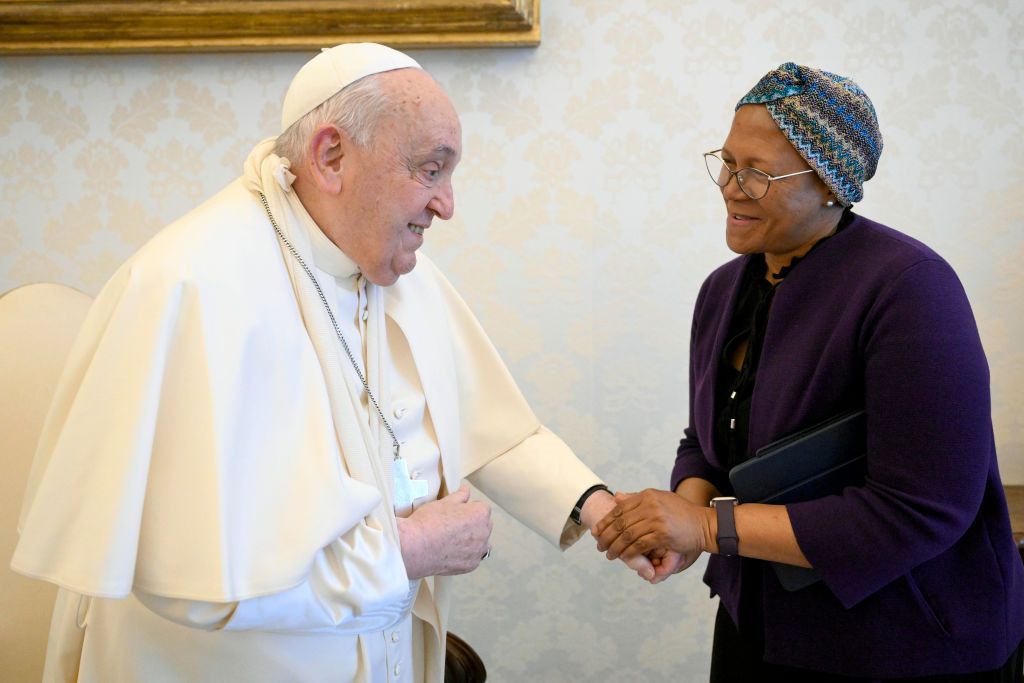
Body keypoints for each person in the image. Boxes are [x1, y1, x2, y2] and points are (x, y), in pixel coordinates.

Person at [11, 43, 650, 683]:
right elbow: (194, 575)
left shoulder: (393, 266)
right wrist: (411, 548)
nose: (447, 205)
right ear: (331, 157)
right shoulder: (193, 285)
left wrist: (600, 509)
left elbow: (495, 425)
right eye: (431, 170)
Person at [594, 63, 1024, 681]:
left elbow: (921, 510)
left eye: (758, 173)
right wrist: (677, 522)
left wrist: (708, 527)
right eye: (726, 161)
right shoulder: (724, 291)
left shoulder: (910, 289)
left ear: (830, 182)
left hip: (903, 644)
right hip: (759, 632)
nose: (730, 188)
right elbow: (710, 445)